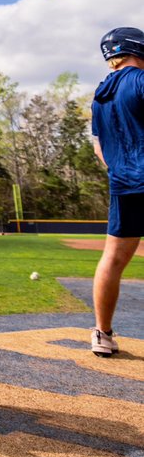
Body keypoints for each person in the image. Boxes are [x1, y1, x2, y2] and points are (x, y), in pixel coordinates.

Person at [89, 26, 144, 357]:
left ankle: (103, 334)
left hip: (123, 184)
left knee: (113, 259)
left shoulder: (100, 95)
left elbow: (99, 148)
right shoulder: (140, 81)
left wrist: (123, 169)